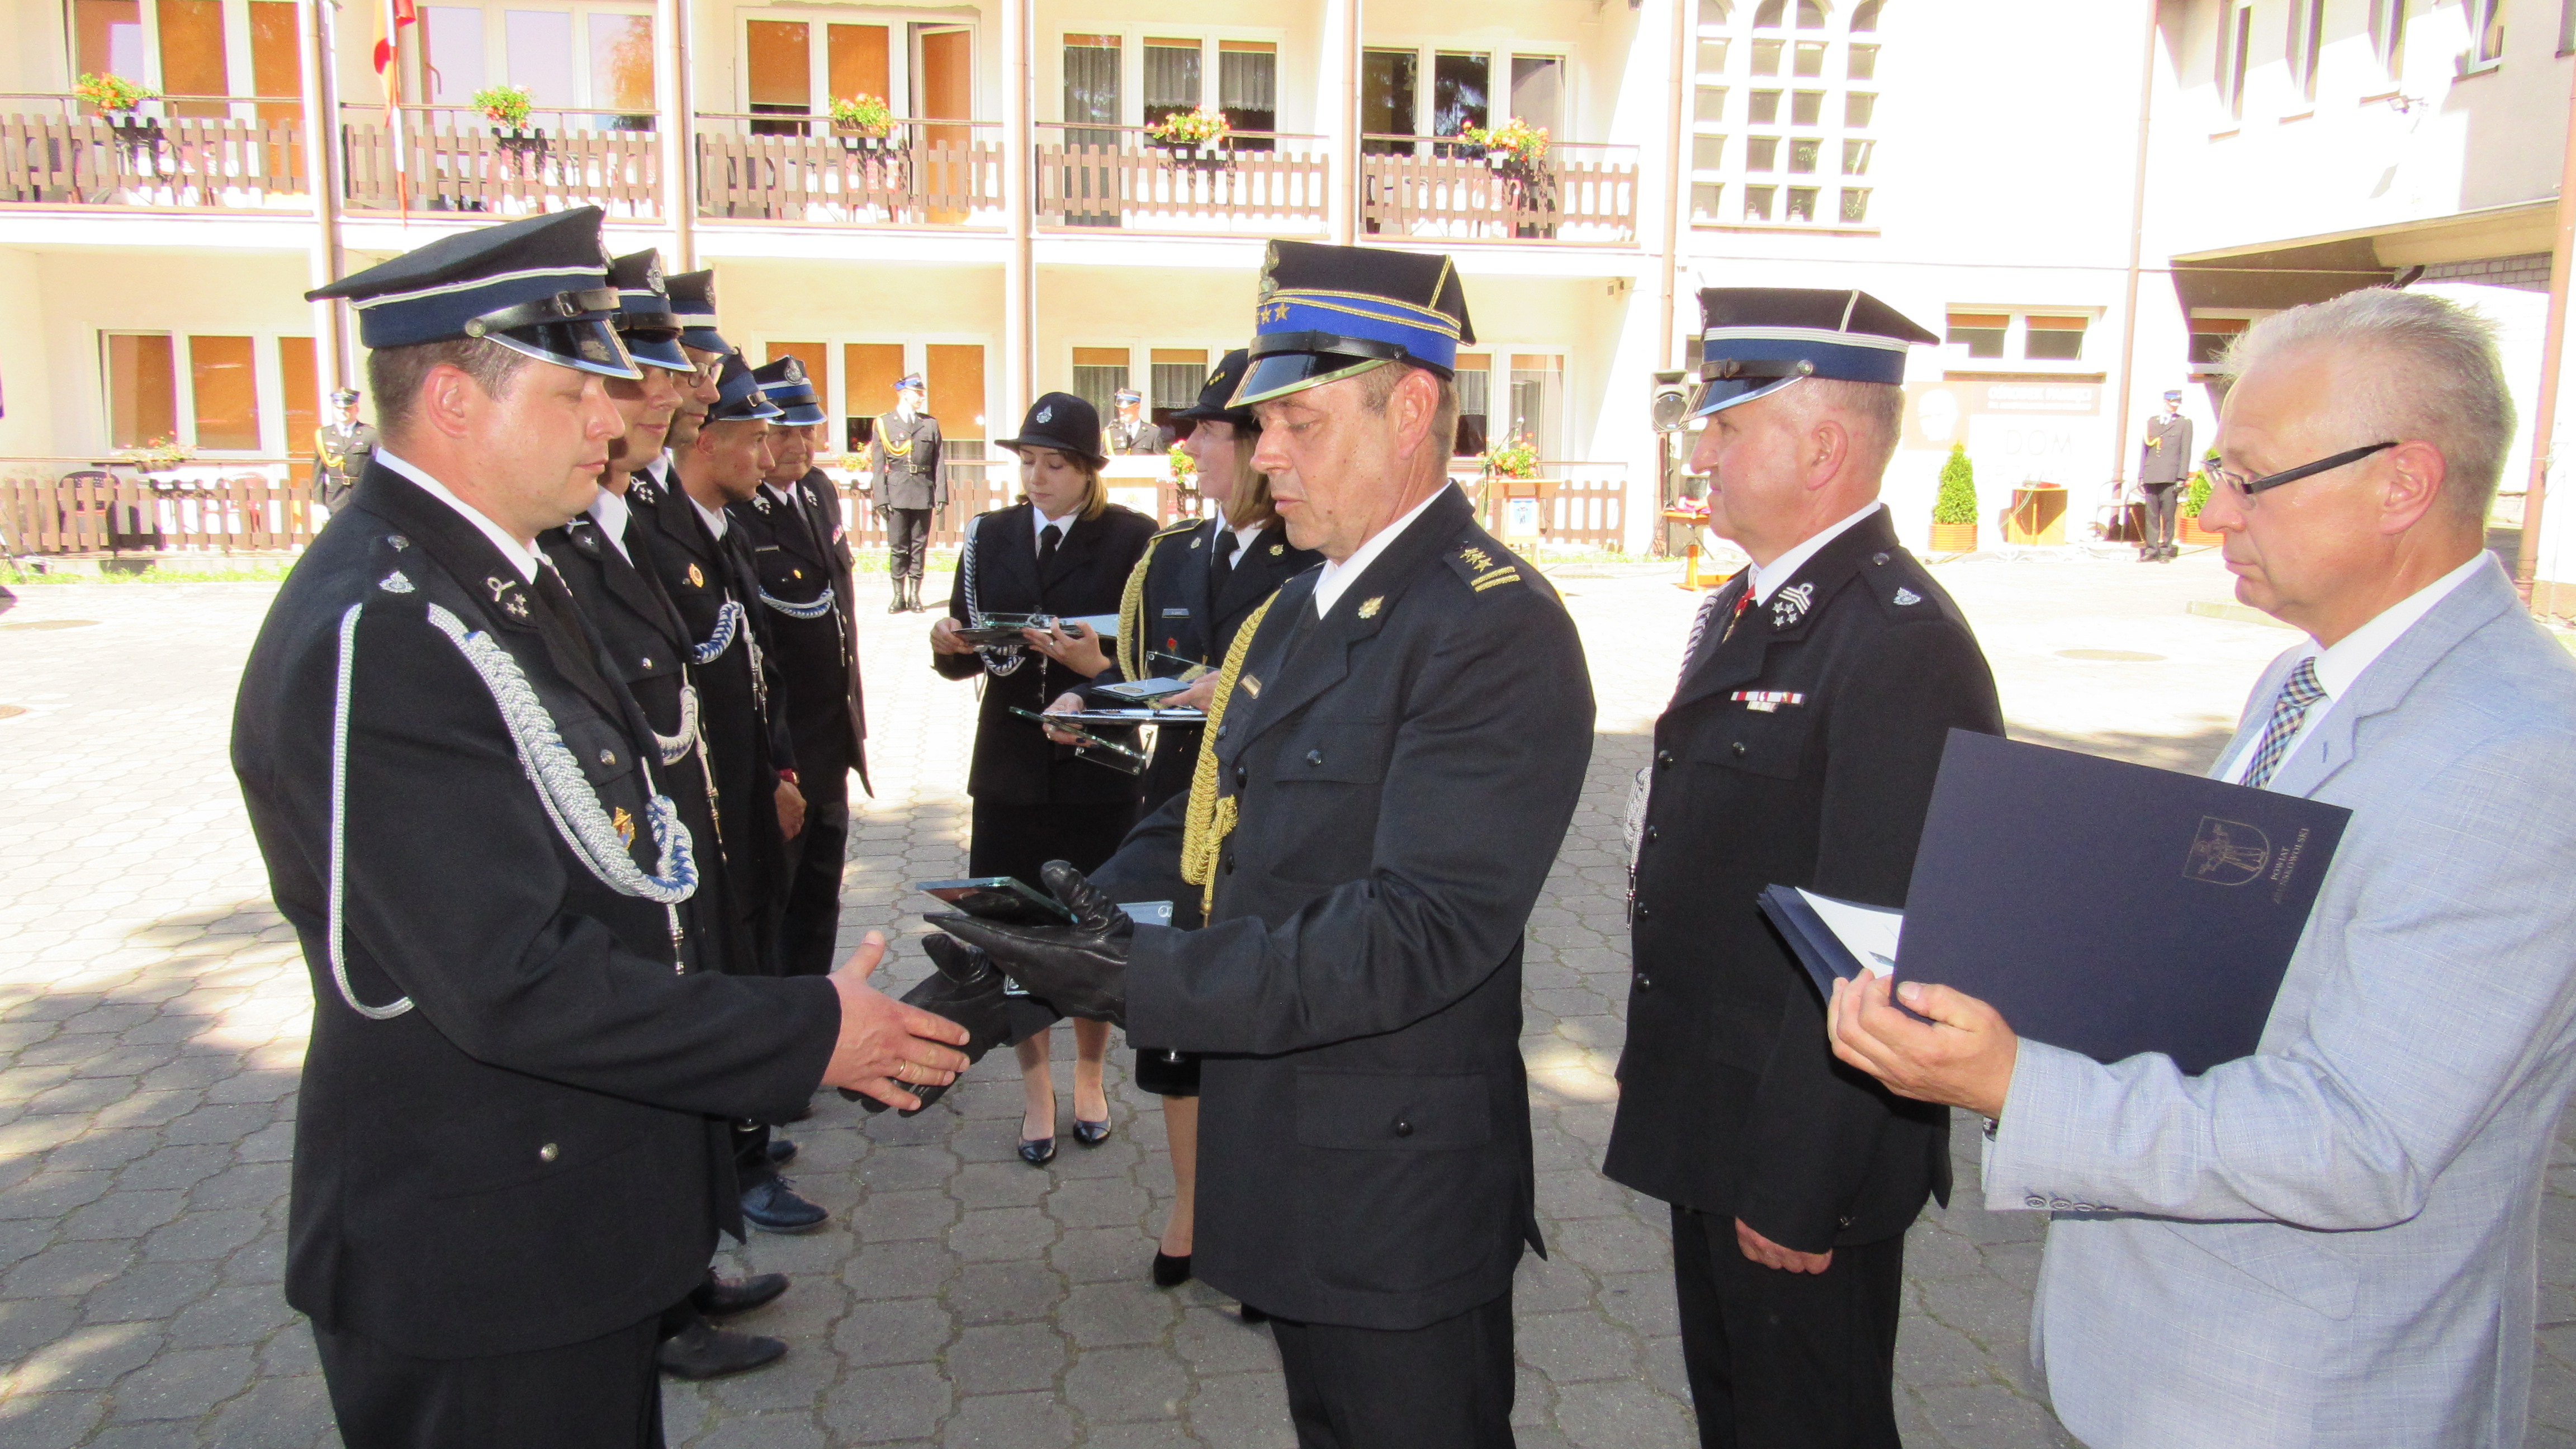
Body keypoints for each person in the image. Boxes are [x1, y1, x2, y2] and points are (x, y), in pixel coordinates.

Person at [235, 206, 972, 1449]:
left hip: (564, 1228)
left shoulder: (498, 576)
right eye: (576, 390)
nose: (614, 418)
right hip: (482, 1259)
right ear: (454, 401)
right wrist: (805, 1031)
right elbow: (510, 980)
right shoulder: (390, 629)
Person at [1826, 287, 2576, 1449]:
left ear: (2403, 484)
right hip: (2163, 1360)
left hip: (2297, 1399)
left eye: (2250, 478)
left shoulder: (2515, 753)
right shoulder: (2303, 677)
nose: (2212, 512)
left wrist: (2017, 1083)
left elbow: (2361, 1141)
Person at [934, 240, 1596, 1449]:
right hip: (1288, 1151)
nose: (1264, 452)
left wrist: (1141, 978)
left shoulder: (1490, 627)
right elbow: (1205, 829)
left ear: (1412, 412)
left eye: (1297, 419)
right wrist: (1024, 954)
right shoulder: (1299, 605)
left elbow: (1422, 929)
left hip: (1396, 1190)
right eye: (1260, 422)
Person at [1604, 288, 2004, 1449]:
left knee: (1807, 1424)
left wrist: (1797, 1182)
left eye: (1728, 429)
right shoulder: (1756, 602)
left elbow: (1888, 944)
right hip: (1719, 1117)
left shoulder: (1897, 643)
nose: (1700, 453)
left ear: (1822, 448)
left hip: (1794, 1153)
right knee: (1739, 1419)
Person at [528, 249, 794, 1381]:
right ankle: (662, 1298)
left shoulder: (616, 516)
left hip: (680, 850)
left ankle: (685, 1269)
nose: (685, 388)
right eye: (661, 369)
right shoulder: (573, 529)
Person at [1038, 348, 1321, 1288]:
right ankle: (1195, 1209)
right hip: (1173, 821)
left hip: (1269, 832)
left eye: (1203, 430)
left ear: (1253, 441)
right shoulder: (1171, 555)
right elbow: (1140, 676)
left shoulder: (1313, 559)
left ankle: (1270, 1226)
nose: (1187, 446)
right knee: (1177, 1031)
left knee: (1263, 1029)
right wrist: (1088, 699)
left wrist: (1233, 692)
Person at [631, 354, 831, 1234]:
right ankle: (737, 1164)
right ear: (707, 444)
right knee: (726, 966)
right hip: (705, 802)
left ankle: (743, 1143)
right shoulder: (657, 534)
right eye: (753, 439)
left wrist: (781, 773)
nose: (769, 454)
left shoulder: (720, 528)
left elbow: (759, 674)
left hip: (749, 791)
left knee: (751, 952)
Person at [929, 391, 1154, 1166]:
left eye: (1055, 465)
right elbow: (968, 654)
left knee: (1092, 932)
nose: (1037, 478)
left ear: (1090, 471)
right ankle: (1036, 1093)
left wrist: (1092, 672)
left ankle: (1089, 1077)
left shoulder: (1133, 539)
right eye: (1027, 462)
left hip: (1096, 768)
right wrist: (948, 644)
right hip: (1010, 769)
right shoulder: (988, 535)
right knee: (1018, 936)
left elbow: (1147, 659)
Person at [736, 356, 870, 978]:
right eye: (784, 431)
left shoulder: (818, 492)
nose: (798, 445)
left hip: (831, 738)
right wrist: (773, 765)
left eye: (808, 430)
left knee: (820, 898)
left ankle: (817, 1011)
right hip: (784, 745)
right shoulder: (738, 508)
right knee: (776, 903)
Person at [868, 373, 945, 613]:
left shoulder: (929, 424)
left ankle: (914, 596)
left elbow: (939, 462)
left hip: (923, 490)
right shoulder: (885, 423)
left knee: (919, 547)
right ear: (903, 393)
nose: (922, 397)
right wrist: (881, 498)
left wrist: (941, 495)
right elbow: (878, 465)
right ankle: (898, 597)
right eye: (917, 393)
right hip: (897, 491)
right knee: (898, 547)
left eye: (922, 393)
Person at [2138, 387, 2194, 561]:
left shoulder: (2184, 423)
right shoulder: (2152, 422)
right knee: (2151, 515)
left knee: (2168, 516)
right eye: (2171, 402)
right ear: (2165, 402)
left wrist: (2181, 477)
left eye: (2177, 403)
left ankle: (2165, 550)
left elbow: (2186, 451)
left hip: (2171, 476)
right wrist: (2141, 475)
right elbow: (2144, 451)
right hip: (2152, 474)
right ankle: (2151, 549)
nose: (2174, 406)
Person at [310, 386, 378, 514]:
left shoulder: (371, 434)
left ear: (357, 409)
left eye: (347, 408)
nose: (343, 412)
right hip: (335, 499)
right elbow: (319, 473)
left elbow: (378, 470)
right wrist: (318, 503)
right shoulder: (324, 435)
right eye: (339, 408)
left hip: (362, 497)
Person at [1105, 385, 1163, 455]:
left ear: (1137, 407)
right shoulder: (1111, 432)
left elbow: (1160, 460)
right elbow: (1102, 458)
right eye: (1120, 409)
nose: (1122, 413)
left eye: (1126, 409)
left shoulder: (1152, 432)